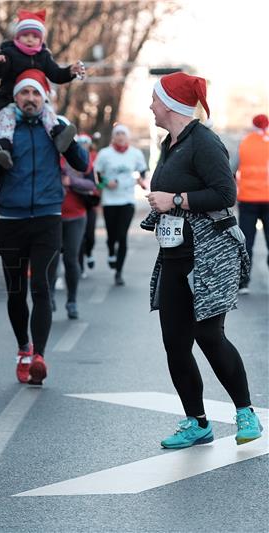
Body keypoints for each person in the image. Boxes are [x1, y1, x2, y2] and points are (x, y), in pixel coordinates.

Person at [145, 71, 262, 448]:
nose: (150, 106)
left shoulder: (205, 142)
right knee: (175, 343)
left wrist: (175, 200)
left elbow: (226, 193)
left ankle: (246, 414)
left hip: (210, 256)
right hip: (175, 256)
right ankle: (197, 422)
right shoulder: (171, 143)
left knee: (209, 335)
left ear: (172, 105)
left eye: (155, 99)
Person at [0, 69, 88, 385]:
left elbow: (82, 164)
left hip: (48, 220)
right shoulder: (2, 132)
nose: (30, 98)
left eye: (36, 93)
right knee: (16, 291)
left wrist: (68, 143)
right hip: (10, 221)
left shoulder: (57, 128)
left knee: (42, 289)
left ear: (44, 97)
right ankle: (23, 347)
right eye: (24, 93)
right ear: (16, 98)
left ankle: (39, 356)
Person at [0, 8, 85, 167]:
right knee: (7, 118)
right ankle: (4, 147)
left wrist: (70, 72)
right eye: (25, 36)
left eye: (35, 36)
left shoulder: (44, 56)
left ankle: (58, 134)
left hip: (35, 103)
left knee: (48, 113)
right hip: (9, 100)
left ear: (40, 39)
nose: (30, 40)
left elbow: (55, 74)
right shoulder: (10, 53)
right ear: (17, 37)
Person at [93, 124, 148, 286]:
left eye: (123, 134)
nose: (120, 137)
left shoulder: (135, 154)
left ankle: (119, 272)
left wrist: (139, 178)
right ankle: (111, 250)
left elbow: (142, 170)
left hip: (127, 199)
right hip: (110, 201)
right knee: (112, 234)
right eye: (117, 134)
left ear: (128, 137)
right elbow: (96, 174)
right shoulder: (105, 154)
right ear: (113, 137)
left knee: (122, 235)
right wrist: (104, 183)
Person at [50, 144, 96, 319]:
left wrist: (71, 181)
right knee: (51, 260)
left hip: (76, 216)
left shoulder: (80, 156)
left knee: (71, 260)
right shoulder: (47, 154)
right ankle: (50, 297)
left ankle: (72, 301)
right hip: (51, 216)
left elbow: (92, 184)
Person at [234, 113, 269, 294]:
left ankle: (243, 283)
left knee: (246, 241)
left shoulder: (245, 143)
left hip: (248, 199)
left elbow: (232, 170)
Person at [75, 133, 100, 276]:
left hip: (90, 202)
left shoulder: (96, 158)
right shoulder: (73, 157)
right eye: (81, 142)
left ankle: (89, 253)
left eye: (86, 142)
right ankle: (80, 266)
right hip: (78, 201)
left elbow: (101, 178)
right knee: (80, 237)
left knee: (90, 236)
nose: (83, 145)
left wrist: (100, 186)